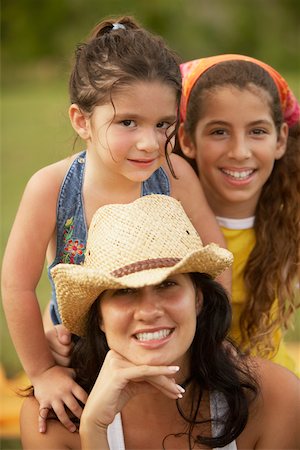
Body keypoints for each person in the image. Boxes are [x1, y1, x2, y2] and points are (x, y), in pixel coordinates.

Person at [1, 16, 229, 434]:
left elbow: (218, 263)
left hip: (164, 336)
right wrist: (43, 371)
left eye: (162, 124)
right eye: (128, 123)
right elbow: (15, 284)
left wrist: (211, 343)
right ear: (81, 120)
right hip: (81, 353)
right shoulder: (51, 187)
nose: (148, 142)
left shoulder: (174, 174)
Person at [20, 194, 300, 450]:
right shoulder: (52, 420)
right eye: (124, 291)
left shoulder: (277, 400)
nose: (149, 311)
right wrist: (94, 430)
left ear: (198, 299)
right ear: (100, 317)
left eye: (167, 284)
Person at [177, 54, 300, 373]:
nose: (239, 151)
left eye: (257, 131)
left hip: (276, 387)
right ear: (188, 140)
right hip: (196, 389)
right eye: (219, 132)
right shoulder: (170, 227)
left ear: (280, 139)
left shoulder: (290, 222)